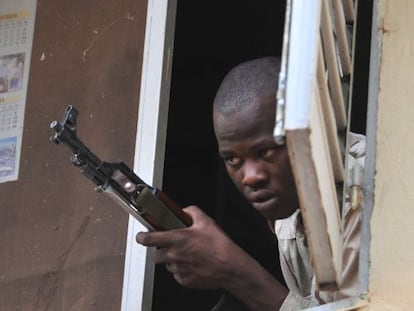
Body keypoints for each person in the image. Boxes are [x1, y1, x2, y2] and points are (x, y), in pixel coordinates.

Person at [136, 57, 362, 310]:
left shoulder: (362, 193)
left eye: (265, 151)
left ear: (308, 130)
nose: (251, 176)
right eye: (232, 159)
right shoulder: (288, 209)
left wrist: (235, 272)